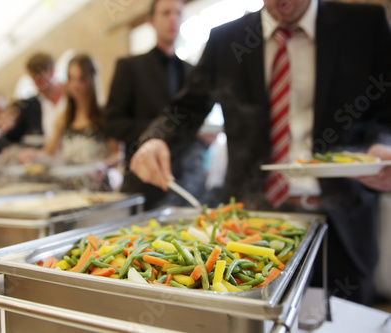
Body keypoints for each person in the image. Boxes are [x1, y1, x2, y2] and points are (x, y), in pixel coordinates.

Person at [129, 0, 391, 306]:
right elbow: (185, 109)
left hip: (341, 224)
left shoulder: (365, 24)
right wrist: (155, 139)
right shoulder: (227, 39)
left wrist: (384, 145)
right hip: (249, 228)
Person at [104, 0, 207, 209]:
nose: (173, 19)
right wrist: (160, 131)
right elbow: (112, 122)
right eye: (166, 13)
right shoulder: (130, 67)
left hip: (188, 181)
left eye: (178, 13)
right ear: (151, 21)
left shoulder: (194, 71)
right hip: (145, 180)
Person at [20, 54, 120, 191]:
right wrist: (33, 154)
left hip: (98, 189)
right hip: (69, 188)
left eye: (81, 79)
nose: (76, 85)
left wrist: (102, 165)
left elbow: (118, 154)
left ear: (91, 79)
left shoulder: (105, 116)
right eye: (71, 79)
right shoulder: (64, 118)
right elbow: (49, 152)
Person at [0, 52, 66, 162]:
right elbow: (12, 136)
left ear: (51, 71)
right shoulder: (31, 105)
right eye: (33, 80)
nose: (37, 85)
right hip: (48, 162)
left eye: (39, 79)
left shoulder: (72, 98)